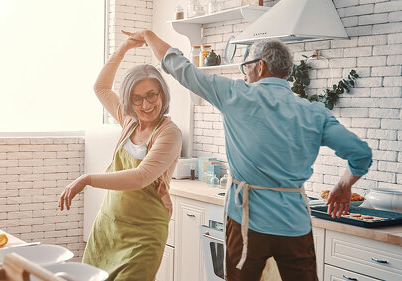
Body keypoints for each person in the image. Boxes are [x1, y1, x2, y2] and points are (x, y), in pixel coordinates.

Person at [122, 30, 372, 281]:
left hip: (246, 223)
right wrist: (343, 186)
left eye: (246, 66)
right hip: (295, 225)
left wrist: (148, 35)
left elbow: (181, 68)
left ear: (259, 66)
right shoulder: (314, 112)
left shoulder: (235, 95)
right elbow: (361, 155)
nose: (244, 73)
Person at [58, 36, 182, 281]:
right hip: (109, 227)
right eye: (137, 98)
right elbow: (101, 88)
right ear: (129, 101)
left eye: (152, 95)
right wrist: (124, 48)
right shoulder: (129, 121)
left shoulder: (169, 133)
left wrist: (86, 179)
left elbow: (140, 177)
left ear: (162, 95)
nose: (146, 104)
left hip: (144, 235)